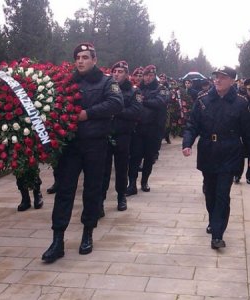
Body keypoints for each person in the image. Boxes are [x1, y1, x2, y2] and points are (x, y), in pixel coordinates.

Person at [42, 42, 123, 263]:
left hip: (95, 144)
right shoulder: (67, 81)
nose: (80, 61)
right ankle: (57, 240)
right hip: (71, 145)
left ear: (94, 60)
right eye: (78, 57)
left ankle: (88, 233)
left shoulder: (107, 82)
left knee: (92, 190)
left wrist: (88, 114)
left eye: (85, 57)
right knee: (64, 191)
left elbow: (116, 103)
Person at [182, 66, 250, 250]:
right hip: (208, 150)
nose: (218, 80)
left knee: (223, 194)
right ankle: (213, 220)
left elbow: (249, 133)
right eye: (216, 77)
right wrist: (187, 143)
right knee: (210, 192)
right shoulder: (203, 101)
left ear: (232, 81)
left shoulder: (240, 103)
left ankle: (217, 234)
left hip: (230, 152)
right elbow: (192, 125)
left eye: (223, 78)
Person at [100, 61, 142, 216]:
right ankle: (100, 200)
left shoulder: (133, 92)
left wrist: (115, 110)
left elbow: (136, 112)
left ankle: (121, 196)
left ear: (126, 74)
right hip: (106, 134)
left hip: (123, 135)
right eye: (114, 71)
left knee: (121, 168)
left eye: (120, 71)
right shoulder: (107, 89)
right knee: (103, 169)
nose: (116, 74)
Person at [126, 65, 167, 196]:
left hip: (154, 129)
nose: (148, 78)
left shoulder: (161, 89)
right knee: (135, 156)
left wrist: (143, 101)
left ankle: (144, 181)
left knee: (149, 157)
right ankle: (131, 184)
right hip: (138, 128)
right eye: (145, 75)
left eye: (150, 75)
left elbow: (160, 102)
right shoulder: (137, 89)